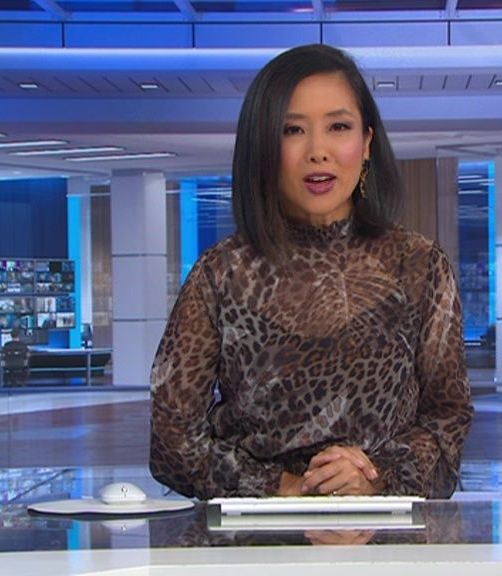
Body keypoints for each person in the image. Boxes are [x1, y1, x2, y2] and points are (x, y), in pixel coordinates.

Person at [149, 44, 473, 500]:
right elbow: (171, 442)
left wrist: (375, 477)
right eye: (292, 130)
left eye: (338, 127)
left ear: (366, 143)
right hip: (255, 533)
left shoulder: (419, 265)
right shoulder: (221, 273)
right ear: (264, 147)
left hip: (386, 529)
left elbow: (447, 422)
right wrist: (282, 486)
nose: (318, 152)